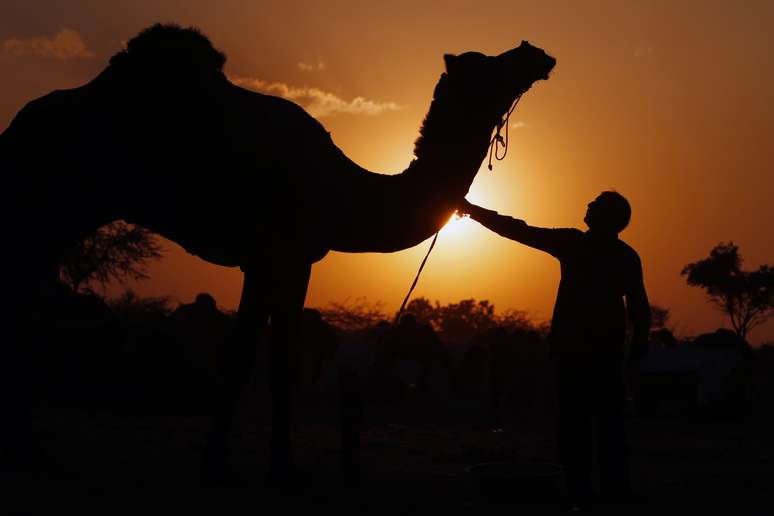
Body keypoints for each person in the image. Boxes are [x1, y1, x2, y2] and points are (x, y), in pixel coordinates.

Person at [458, 191, 651, 510]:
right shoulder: (625, 255)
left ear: (605, 216)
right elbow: (640, 311)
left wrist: (470, 210)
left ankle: (581, 493)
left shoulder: (575, 244)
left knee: (577, 428)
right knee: (608, 428)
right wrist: (637, 352)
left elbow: (518, 229)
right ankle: (613, 494)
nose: (587, 205)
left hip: (575, 353)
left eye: (596, 203)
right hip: (605, 355)